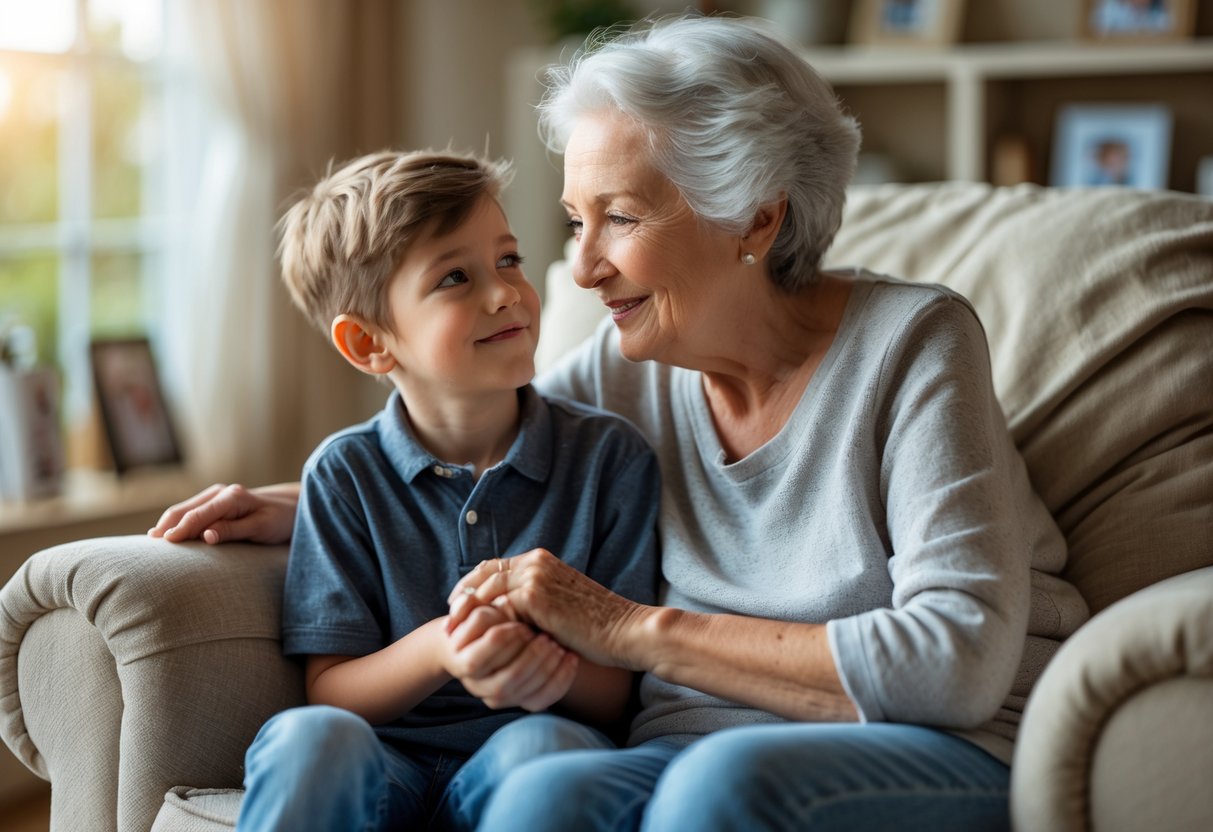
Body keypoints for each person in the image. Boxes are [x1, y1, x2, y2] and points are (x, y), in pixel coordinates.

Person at [151, 15, 1086, 831]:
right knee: (540, 802)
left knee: (714, 788)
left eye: (621, 218)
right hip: (691, 740)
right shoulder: (629, 361)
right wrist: (294, 504)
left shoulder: (914, 342)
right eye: (571, 222)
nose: (581, 270)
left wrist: (632, 629)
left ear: (752, 218)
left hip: (930, 741)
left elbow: (955, 662)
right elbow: (478, 431)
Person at [217, 149, 661, 831]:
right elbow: (329, 691)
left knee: (548, 748)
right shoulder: (343, 475)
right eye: (455, 276)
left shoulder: (610, 460)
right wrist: (442, 647)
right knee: (306, 739)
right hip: (386, 766)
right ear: (368, 343)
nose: (504, 292)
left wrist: (542, 664)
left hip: (523, 762)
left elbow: (619, 695)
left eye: (508, 259)